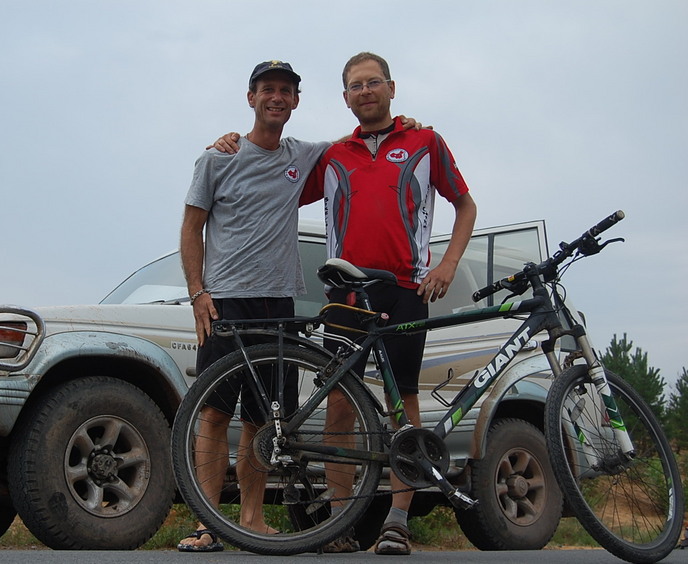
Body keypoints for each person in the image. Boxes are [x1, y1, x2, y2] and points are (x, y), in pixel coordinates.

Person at [299, 52, 477, 555]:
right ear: (345, 97)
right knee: (340, 406)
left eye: (373, 82)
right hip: (346, 293)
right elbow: (278, 181)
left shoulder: (425, 141)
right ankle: (338, 524)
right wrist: (232, 146)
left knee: (404, 404)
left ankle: (397, 522)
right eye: (355, 86)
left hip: (405, 290)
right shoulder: (333, 155)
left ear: (392, 88)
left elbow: (465, 204)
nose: (365, 91)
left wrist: (445, 265)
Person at [177, 60, 331, 552]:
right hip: (225, 304)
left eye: (286, 91)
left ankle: (251, 520)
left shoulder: (303, 156)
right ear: (251, 98)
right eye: (268, 90)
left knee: (266, 419)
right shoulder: (216, 159)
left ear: (296, 101)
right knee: (215, 415)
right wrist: (198, 293)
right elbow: (190, 227)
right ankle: (208, 524)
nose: (277, 97)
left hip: (278, 304)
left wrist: (404, 126)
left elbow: (359, 143)